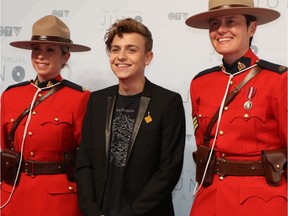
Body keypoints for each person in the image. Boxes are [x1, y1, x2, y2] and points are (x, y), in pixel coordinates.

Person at [185, 0, 287, 215]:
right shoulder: (200, 83)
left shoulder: (279, 80)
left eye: (231, 22)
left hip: (262, 202)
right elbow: (203, 144)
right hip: (209, 198)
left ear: (252, 28)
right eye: (214, 23)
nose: (221, 30)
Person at [75, 17, 186, 216]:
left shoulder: (167, 102)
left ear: (148, 57)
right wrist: (91, 210)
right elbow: (84, 163)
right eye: (116, 49)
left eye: (131, 50)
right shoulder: (97, 100)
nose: (121, 56)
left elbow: (168, 171)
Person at [1, 15, 91, 216]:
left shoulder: (79, 98)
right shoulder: (10, 95)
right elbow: (6, 148)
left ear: (65, 56)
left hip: (57, 200)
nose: (41, 56)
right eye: (36, 49)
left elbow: (87, 158)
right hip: (14, 194)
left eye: (50, 50)